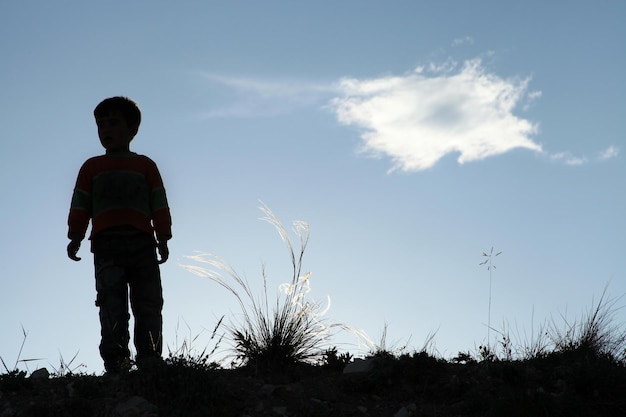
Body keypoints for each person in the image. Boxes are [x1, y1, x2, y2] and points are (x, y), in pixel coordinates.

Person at [67, 96, 172, 374]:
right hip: (106, 246)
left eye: (113, 123)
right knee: (111, 304)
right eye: (100, 125)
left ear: (132, 129)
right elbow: (81, 203)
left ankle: (150, 361)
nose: (105, 130)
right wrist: (75, 235)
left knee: (148, 302)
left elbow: (158, 201)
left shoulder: (145, 166)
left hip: (142, 244)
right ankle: (117, 364)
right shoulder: (91, 168)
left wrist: (163, 236)